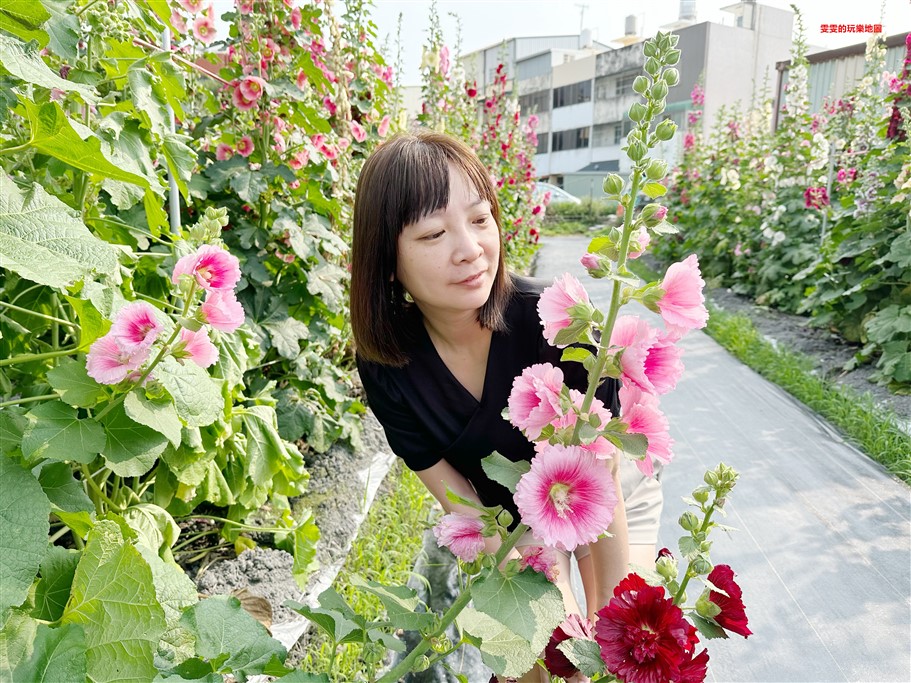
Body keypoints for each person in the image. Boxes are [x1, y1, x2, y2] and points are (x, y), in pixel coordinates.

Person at [350, 130, 663, 682]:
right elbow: (462, 500)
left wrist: (606, 634)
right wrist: (546, 613)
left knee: (612, 649)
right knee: (534, 661)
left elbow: (602, 486)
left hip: (606, 504)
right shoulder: (386, 364)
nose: (469, 249)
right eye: (431, 233)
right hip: (510, 522)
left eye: (479, 219)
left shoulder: (557, 320)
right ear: (388, 261)